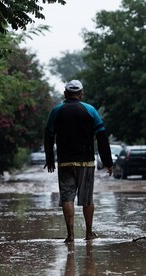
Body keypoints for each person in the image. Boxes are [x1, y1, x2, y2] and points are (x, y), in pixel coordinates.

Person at [44, 80, 113, 242]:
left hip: (65, 162)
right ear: (81, 94)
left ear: (65, 94)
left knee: (67, 198)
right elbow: (102, 137)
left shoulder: (56, 111)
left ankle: (70, 235)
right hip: (86, 163)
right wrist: (107, 162)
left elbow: (48, 136)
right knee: (87, 199)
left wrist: (50, 159)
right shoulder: (90, 110)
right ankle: (89, 233)